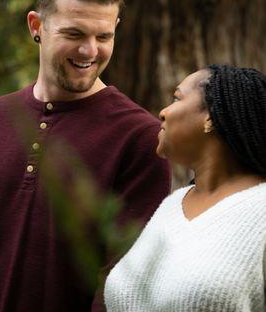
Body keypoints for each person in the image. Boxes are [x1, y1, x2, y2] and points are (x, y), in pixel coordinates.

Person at [0, 0, 171, 311]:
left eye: (103, 36)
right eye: (74, 34)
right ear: (37, 26)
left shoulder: (140, 137)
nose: (90, 51)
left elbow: (122, 278)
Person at [104, 64, 266, 312]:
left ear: (211, 118)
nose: (163, 112)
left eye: (177, 98)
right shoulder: (171, 205)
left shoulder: (260, 210)